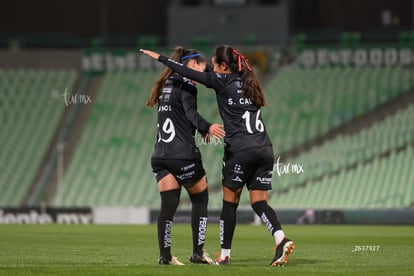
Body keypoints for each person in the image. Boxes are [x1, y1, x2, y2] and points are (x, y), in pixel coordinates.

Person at [141, 45, 294, 267]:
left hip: (237, 150)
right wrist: (205, 128)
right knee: (260, 203)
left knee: (228, 204)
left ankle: (223, 254)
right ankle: (281, 238)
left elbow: (190, 74)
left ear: (223, 66)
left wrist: (162, 59)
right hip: (264, 149)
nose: (210, 69)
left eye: (214, 64)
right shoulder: (250, 84)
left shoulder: (217, 81)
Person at [146, 47, 225, 265]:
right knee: (200, 198)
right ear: (190, 66)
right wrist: (207, 127)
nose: (201, 74)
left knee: (168, 206)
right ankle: (198, 252)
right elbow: (191, 114)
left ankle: (165, 256)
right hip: (183, 155)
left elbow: (180, 117)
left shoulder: (165, 86)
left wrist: (200, 130)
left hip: (160, 155)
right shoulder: (187, 85)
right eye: (200, 68)